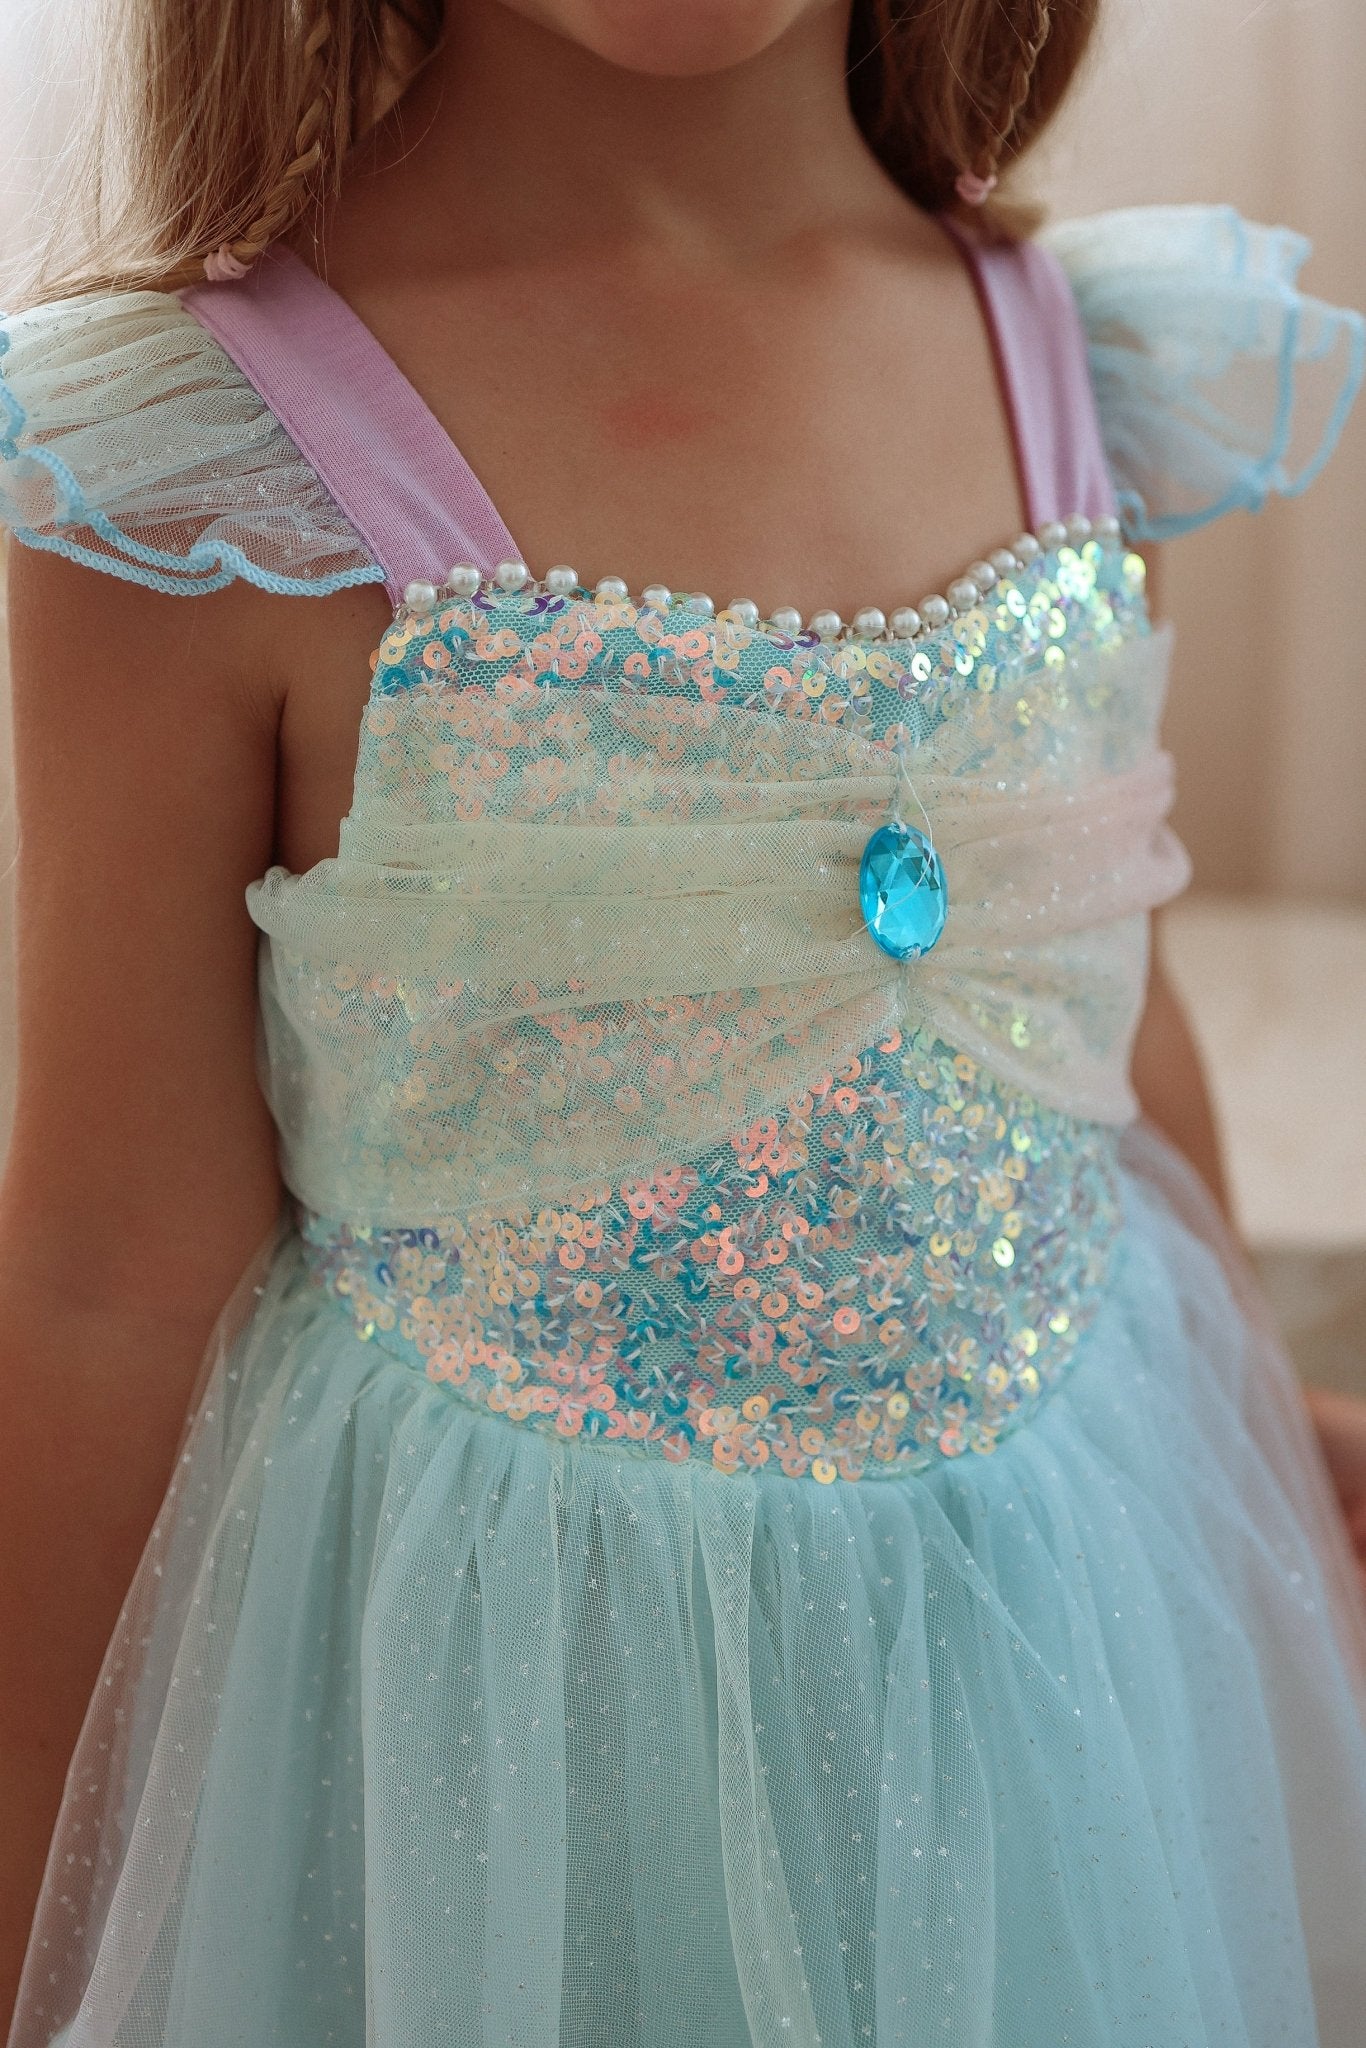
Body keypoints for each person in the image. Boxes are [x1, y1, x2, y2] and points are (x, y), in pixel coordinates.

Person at [2, 1, 1365, 2042]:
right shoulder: (197, 476)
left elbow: (1105, 1025)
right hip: (492, 1750)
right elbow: (109, 1284)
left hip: (1051, 1685)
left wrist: (1253, 1436)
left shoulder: (1077, 368)